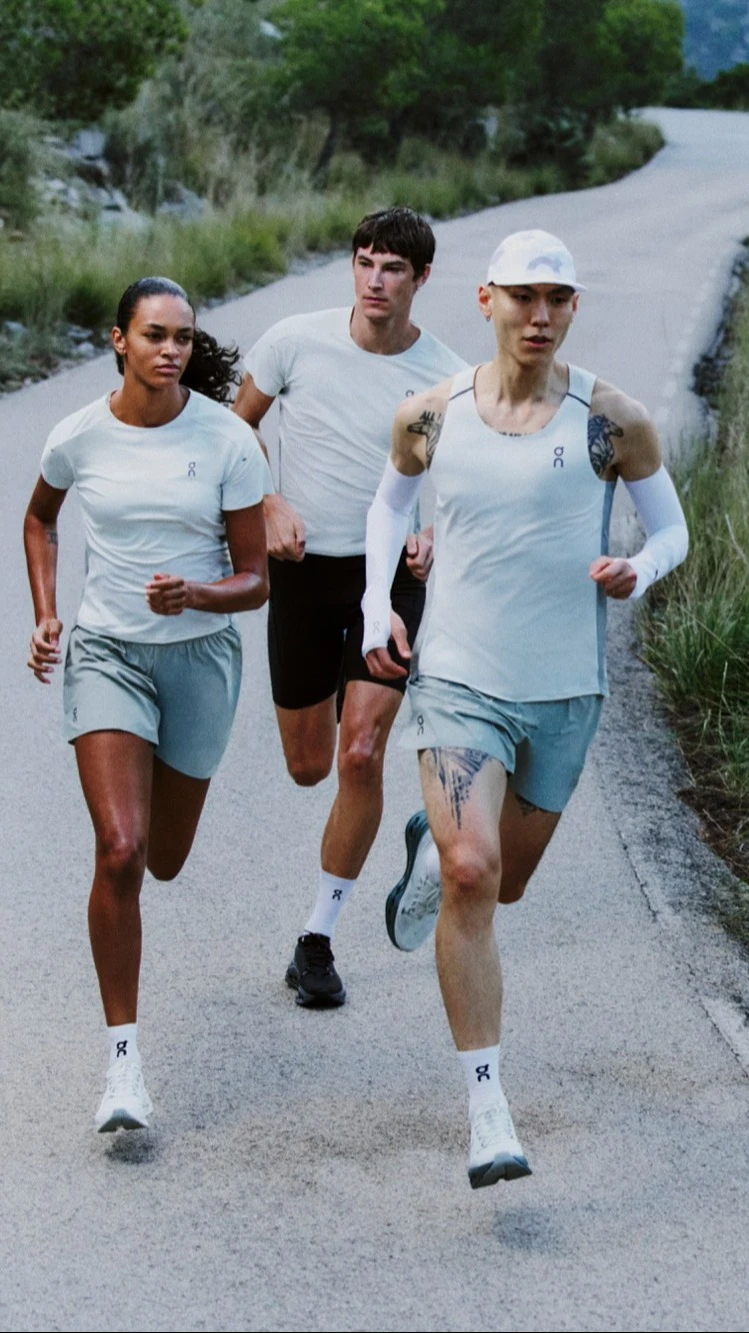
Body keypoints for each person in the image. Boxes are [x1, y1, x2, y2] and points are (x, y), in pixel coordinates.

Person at [362, 229, 689, 1188]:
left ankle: (435, 835)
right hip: (458, 675)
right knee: (472, 871)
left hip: (564, 690)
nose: (538, 316)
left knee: (504, 882)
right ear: (485, 300)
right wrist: (379, 600)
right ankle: (486, 1106)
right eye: (522, 297)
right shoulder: (430, 415)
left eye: (556, 299)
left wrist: (638, 567)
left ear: (573, 308)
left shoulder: (611, 419)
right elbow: (388, 508)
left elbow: (668, 529)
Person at [24, 276, 272, 1134]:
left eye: (183, 337)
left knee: (166, 857)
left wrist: (199, 596)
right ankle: (123, 1063)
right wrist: (48, 612)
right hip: (107, 654)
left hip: (200, 658)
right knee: (121, 850)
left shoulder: (228, 439)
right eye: (155, 335)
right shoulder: (78, 435)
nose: (171, 350)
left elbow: (256, 579)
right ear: (118, 340)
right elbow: (38, 520)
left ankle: (125, 1049)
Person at [232, 207, 467, 1007]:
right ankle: (353, 750)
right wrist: (264, 502)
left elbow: (467, 482)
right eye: (364, 261)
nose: (374, 279)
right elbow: (233, 437)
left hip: (391, 578)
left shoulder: (444, 374)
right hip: (301, 572)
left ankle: (317, 938)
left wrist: (435, 531)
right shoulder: (293, 341)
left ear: (420, 279)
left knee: (360, 754)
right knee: (309, 765)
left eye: (392, 267)